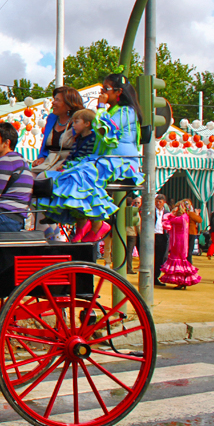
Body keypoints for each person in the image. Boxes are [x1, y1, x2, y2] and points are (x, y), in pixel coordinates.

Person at [38, 75, 143, 244]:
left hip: (120, 162)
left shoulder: (126, 112)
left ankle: (98, 223)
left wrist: (100, 107)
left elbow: (106, 131)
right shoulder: (110, 112)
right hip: (102, 160)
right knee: (70, 175)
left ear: (118, 92)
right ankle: (82, 224)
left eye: (105, 89)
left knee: (82, 175)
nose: (102, 92)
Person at [31, 86, 85, 174]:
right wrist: (41, 157)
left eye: (57, 100)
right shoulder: (51, 118)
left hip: (68, 164)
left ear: (69, 105)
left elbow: (83, 147)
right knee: (27, 178)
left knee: (44, 179)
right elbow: (45, 146)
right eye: (54, 99)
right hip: (49, 162)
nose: (53, 103)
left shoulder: (79, 121)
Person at [158, 199, 202, 289]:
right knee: (181, 260)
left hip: (179, 241)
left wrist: (171, 214)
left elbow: (167, 221)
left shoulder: (181, 218)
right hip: (180, 240)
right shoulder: (184, 217)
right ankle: (182, 281)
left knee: (178, 260)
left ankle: (180, 281)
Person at [153, 194, 169, 284]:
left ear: (164, 203)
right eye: (157, 202)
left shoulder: (167, 213)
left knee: (160, 258)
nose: (158, 203)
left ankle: (156, 277)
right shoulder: (151, 211)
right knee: (152, 257)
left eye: (160, 202)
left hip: (162, 236)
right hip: (153, 235)